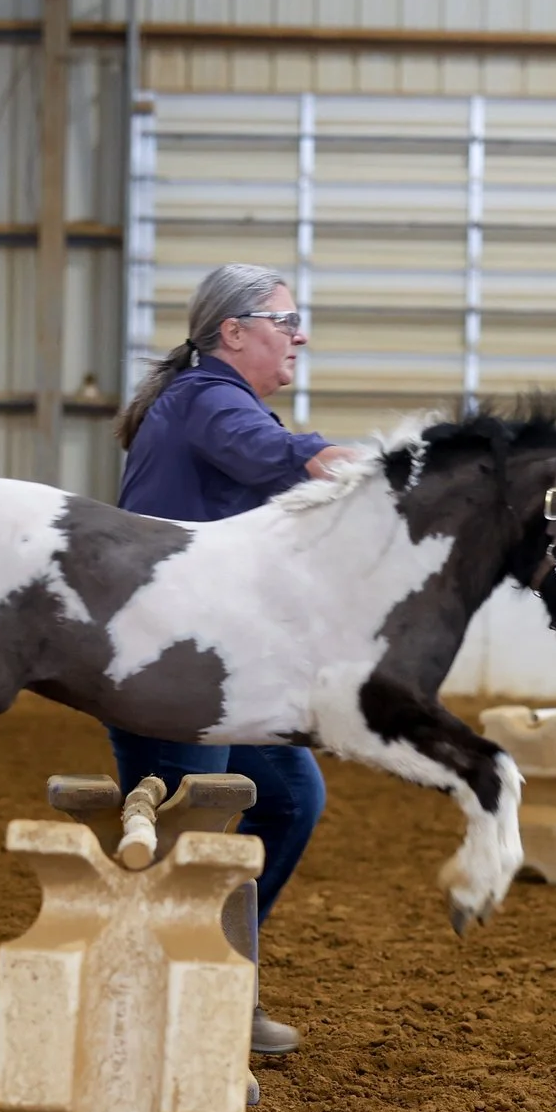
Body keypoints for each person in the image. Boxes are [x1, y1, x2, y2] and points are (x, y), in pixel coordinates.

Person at [109, 263, 359, 1056]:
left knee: (287, 797)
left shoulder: (205, 400)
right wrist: (324, 456)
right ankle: (162, 1004)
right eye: (286, 322)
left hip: (212, 666)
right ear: (234, 332)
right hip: (171, 668)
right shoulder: (211, 400)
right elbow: (264, 452)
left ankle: (215, 974)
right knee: (194, 828)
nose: (300, 336)